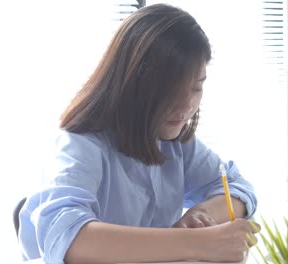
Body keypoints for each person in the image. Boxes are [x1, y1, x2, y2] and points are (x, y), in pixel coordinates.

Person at [19, 3, 260, 264]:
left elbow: (238, 189)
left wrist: (201, 214)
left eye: (196, 88)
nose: (186, 107)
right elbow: (67, 238)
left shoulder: (174, 142)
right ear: (134, 83)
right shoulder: (80, 144)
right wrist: (198, 243)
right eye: (172, 90)